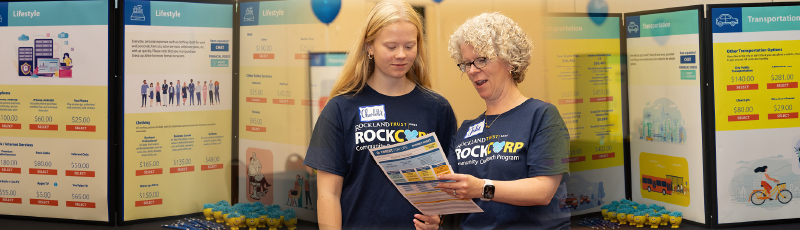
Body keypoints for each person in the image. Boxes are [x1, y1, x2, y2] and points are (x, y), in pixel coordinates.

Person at [303, 1, 454, 229]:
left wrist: (438, 219)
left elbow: (449, 185)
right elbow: (328, 194)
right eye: (391, 46)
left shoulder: (437, 108)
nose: (401, 55)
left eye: (409, 46)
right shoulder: (340, 109)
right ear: (369, 47)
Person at [437, 12, 570, 229]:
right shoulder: (466, 130)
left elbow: (543, 191)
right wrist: (435, 218)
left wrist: (482, 188)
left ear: (510, 60)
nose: (471, 71)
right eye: (466, 63)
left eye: (481, 60)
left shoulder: (542, 116)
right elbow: (452, 191)